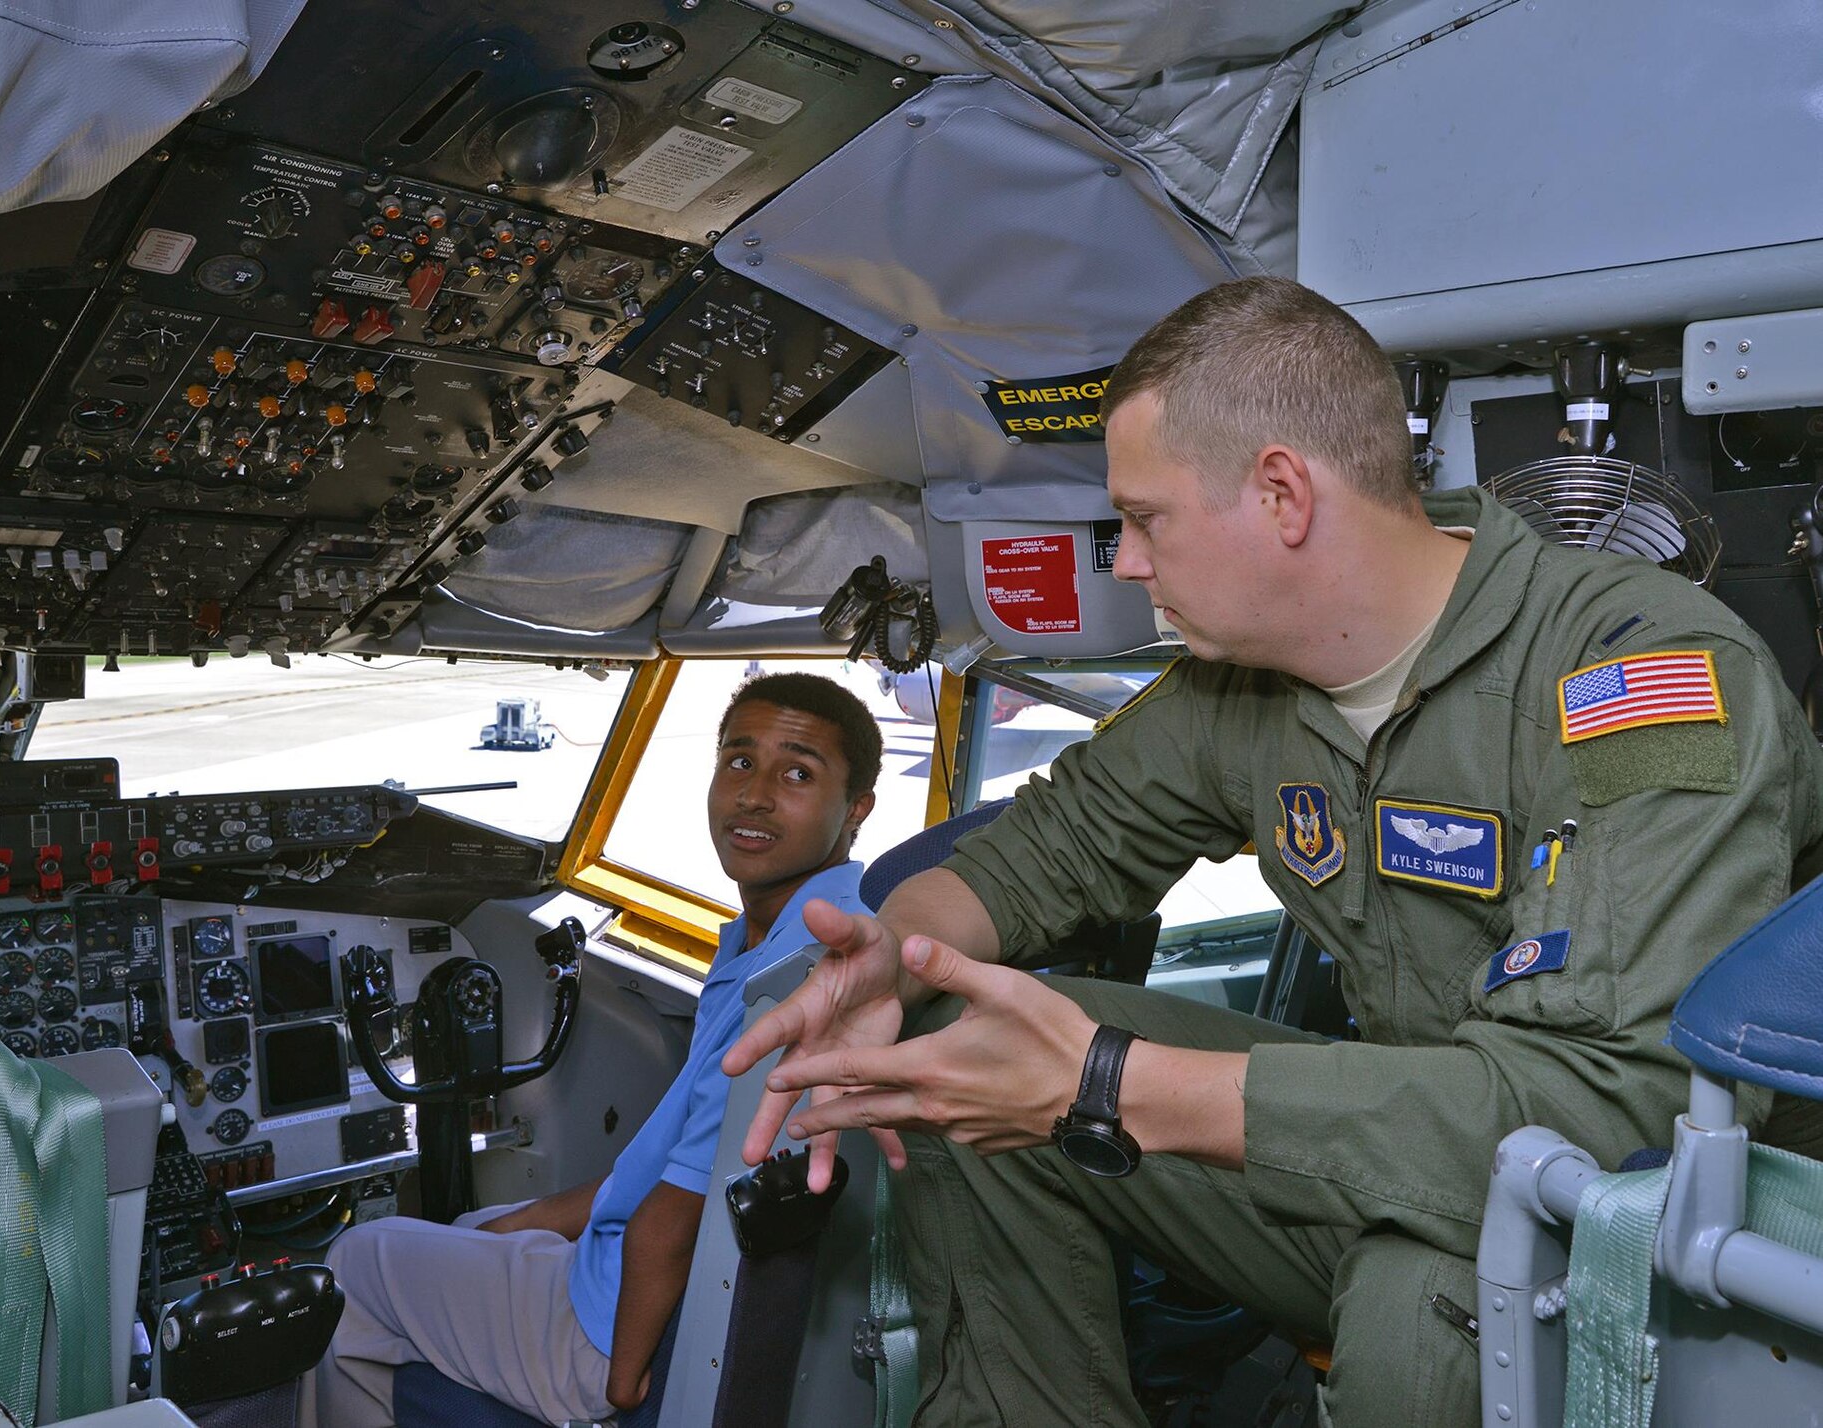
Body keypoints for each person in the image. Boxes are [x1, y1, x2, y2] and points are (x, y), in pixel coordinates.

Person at [726, 276, 1823, 1426]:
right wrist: (887, 960)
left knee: (1428, 1297)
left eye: (1145, 521)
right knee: (956, 1057)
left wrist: (1107, 1083)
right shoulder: (1239, 689)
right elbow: (1050, 848)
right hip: (1412, 1158)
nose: (1127, 565)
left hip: (1669, 1235)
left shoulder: (1638, 680)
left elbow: (1610, 1123)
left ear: (1280, 494)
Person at [300, 671, 881, 1427]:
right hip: (612, 1271)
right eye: (740, 761)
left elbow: (679, 1209)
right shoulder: (788, 929)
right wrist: (526, 1219)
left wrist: (625, 1385)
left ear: (857, 809)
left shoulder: (798, 975)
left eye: (797, 772)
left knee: (356, 1262)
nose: (755, 794)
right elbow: (661, 1168)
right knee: (477, 1228)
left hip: (610, 1328)